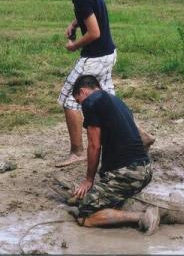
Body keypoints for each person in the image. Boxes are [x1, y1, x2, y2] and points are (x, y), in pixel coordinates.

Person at [42, 0, 154, 168]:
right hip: (108, 53)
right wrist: (75, 23)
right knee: (109, 101)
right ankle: (141, 136)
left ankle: (77, 152)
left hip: (95, 56)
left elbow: (94, 32)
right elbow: (95, 9)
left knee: (69, 99)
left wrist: (74, 46)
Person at [63, 75, 160, 235]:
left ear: (83, 91)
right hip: (145, 170)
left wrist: (88, 180)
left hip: (127, 174)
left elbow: (94, 145)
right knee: (104, 198)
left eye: (79, 102)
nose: (81, 106)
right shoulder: (117, 101)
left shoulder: (91, 102)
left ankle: (141, 217)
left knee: (84, 215)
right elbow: (143, 138)